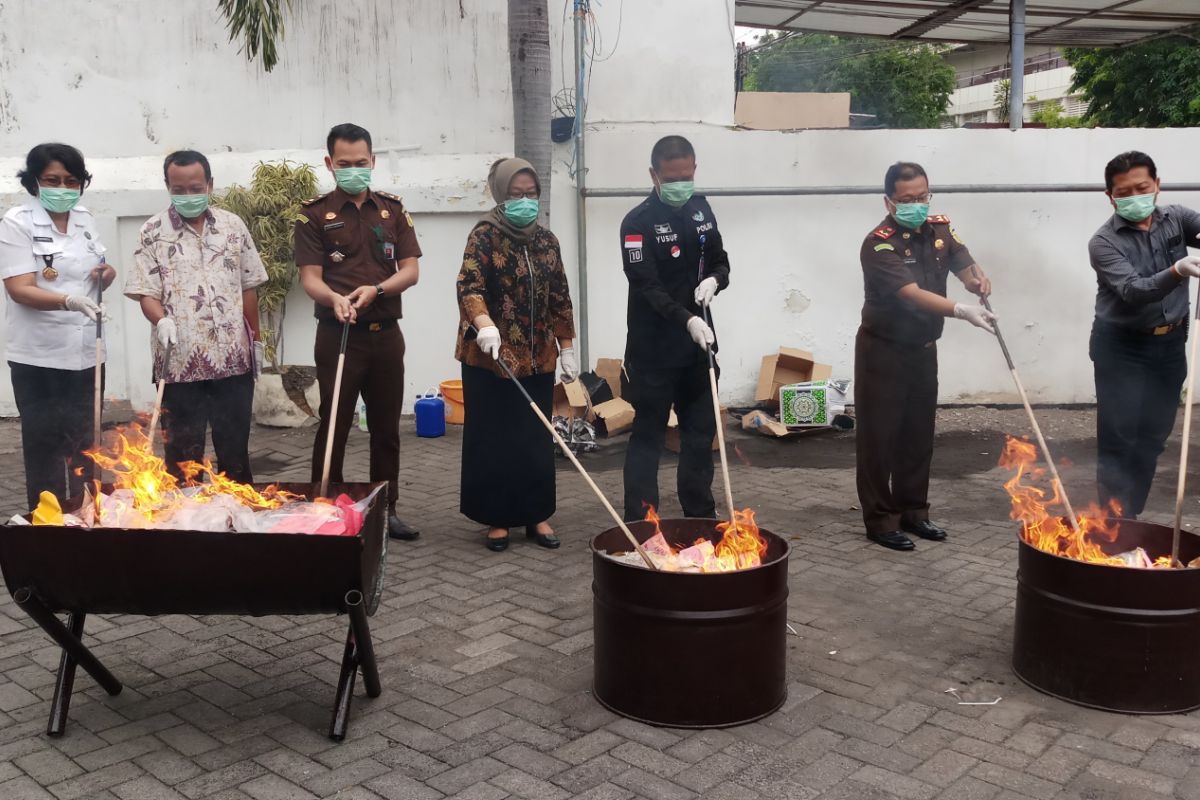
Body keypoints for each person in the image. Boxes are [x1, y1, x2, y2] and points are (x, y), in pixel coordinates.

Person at [855, 161, 996, 551]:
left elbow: (963, 261)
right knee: (879, 439)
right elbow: (911, 293)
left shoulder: (939, 229)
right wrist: (960, 310)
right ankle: (881, 520)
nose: (916, 205)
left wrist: (975, 279)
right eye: (906, 200)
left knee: (917, 435)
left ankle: (914, 512)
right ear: (889, 201)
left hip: (922, 349)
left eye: (921, 197)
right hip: (882, 351)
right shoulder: (878, 243)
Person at [295, 123, 422, 540]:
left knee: (386, 430)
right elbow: (310, 277)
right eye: (344, 164)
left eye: (361, 163)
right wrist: (334, 298)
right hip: (338, 334)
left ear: (373, 162)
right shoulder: (313, 214)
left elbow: (410, 271)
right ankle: (325, 503)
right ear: (330, 164)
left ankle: (387, 509)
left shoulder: (392, 210)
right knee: (335, 424)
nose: (354, 170)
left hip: (385, 335)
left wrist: (378, 289)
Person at [455, 158, 577, 551]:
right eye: (516, 194)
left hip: (538, 356)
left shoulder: (547, 241)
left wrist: (568, 347)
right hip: (491, 357)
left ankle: (536, 514)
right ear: (501, 194)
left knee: (533, 437)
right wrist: (484, 323)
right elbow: (468, 286)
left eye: (531, 193)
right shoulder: (484, 236)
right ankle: (497, 518)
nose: (525, 200)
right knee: (494, 437)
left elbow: (560, 296)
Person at [125, 150, 267, 484]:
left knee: (235, 455)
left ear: (210, 185)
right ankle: (189, 527)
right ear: (168, 186)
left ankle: (237, 523)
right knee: (183, 460)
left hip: (233, 362)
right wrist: (161, 321)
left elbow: (249, 287)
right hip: (178, 364)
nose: (188, 196)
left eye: (196, 188)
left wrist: (255, 340)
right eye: (180, 189)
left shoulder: (233, 226)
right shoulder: (151, 232)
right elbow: (146, 293)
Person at [619, 135, 730, 522]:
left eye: (687, 175)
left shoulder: (701, 209)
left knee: (699, 438)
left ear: (694, 169)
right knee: (647, 439)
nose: (682, 183)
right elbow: (647, 286)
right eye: (672, 177)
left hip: (698, 350)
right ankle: (641, 520)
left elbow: (720, 260)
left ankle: (700, 516)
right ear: (654, 175)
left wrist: (715, 280)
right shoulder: (636, 223)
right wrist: (687, 320)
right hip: (654, 352)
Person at [0, 143, 115, 511]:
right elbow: (19, 288)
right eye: (53, 180)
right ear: (35, 182)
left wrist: (106, 274)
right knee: (47, 449)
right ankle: (49, 530)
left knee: (87, 445)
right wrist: (67, 301)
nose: (62, 188)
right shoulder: (17, 222)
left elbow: (96, 270)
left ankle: (89, 520)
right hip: (40, 357)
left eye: (71, 180)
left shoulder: (84, 219)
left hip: (86, 352)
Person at [1087, 151, 1200, 519]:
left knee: (1152, 437)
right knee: (1119, 438)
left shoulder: (1177, 218)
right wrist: (1178, 269)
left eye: (1142, 187)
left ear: (1157, 185)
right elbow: (1134, 291)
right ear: (1111, 196)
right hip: (1121, 346)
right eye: (1124, 192)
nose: (1135, 196)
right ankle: (1114, 522)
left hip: (1170, 343)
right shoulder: (1103, 242)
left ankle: (1130, 513)